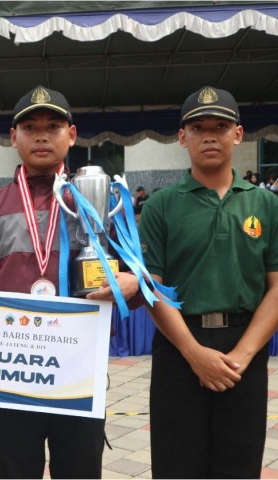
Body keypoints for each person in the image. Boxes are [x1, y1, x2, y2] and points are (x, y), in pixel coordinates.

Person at [0, 86, 140, 479]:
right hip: (11, 376)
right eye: (30, 126)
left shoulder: (99, 200)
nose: (42, 135)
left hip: (78, 372)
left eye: (53, 126)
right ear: (13, 136)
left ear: (71, 135)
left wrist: (132, 284)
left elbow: (134, 275)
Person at [139, 86, 278, 478]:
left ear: (238, 134)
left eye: (220, 126)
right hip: (179, 351)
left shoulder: (266, 204)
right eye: (198, 128)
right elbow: (153, 288)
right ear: (183, 137)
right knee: (176, 466)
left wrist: (244, 355)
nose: (210, 136)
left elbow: (277, 286)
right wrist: (193, 353)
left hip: (242, 351)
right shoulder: (162, 205)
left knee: (239, 466)